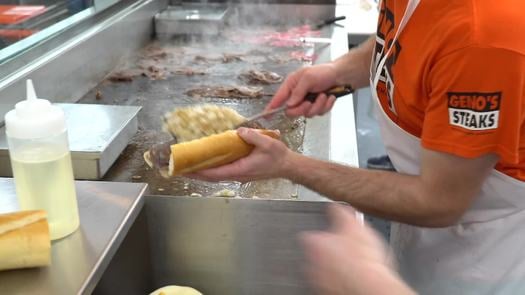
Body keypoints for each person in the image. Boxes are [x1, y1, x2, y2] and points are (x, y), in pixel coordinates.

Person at [188, 0, 525, 293]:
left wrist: (288, 165)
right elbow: (395, 41)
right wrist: (338, 71)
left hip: (484, 257)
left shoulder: (485, 38)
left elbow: (439, 201)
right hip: (426, 230)